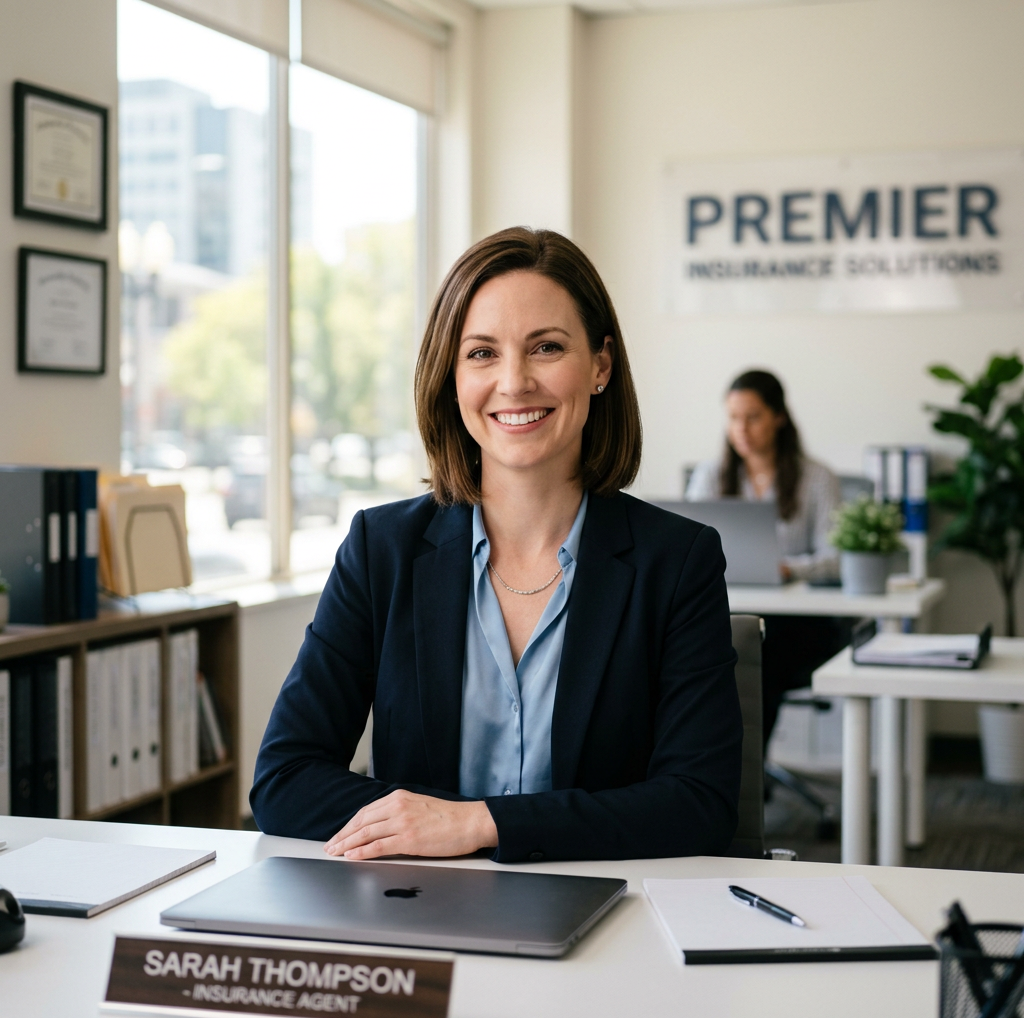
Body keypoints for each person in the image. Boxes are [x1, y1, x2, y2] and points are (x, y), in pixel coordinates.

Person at [250, 227, 743, 863]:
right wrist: (426, 827)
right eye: (481, 353)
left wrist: (479, 824)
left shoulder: (677, 562)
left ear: (600, 366)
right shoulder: (382, 551)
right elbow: (284, 779)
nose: (513, 382)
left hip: (605, 911)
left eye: (546, 347)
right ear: (450, 377)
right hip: (417, 910)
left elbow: (698, 805)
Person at [686, 369, 850, 749]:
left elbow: (836, 557)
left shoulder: (818, 478)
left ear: (779, 417)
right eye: (733, 418)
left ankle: (746, 777)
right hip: (725, 611)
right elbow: (686, 548)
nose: (741, 428)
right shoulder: (711, 476)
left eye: (753, 417)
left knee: (755, 657)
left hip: (798, 625)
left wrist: (789, 569)